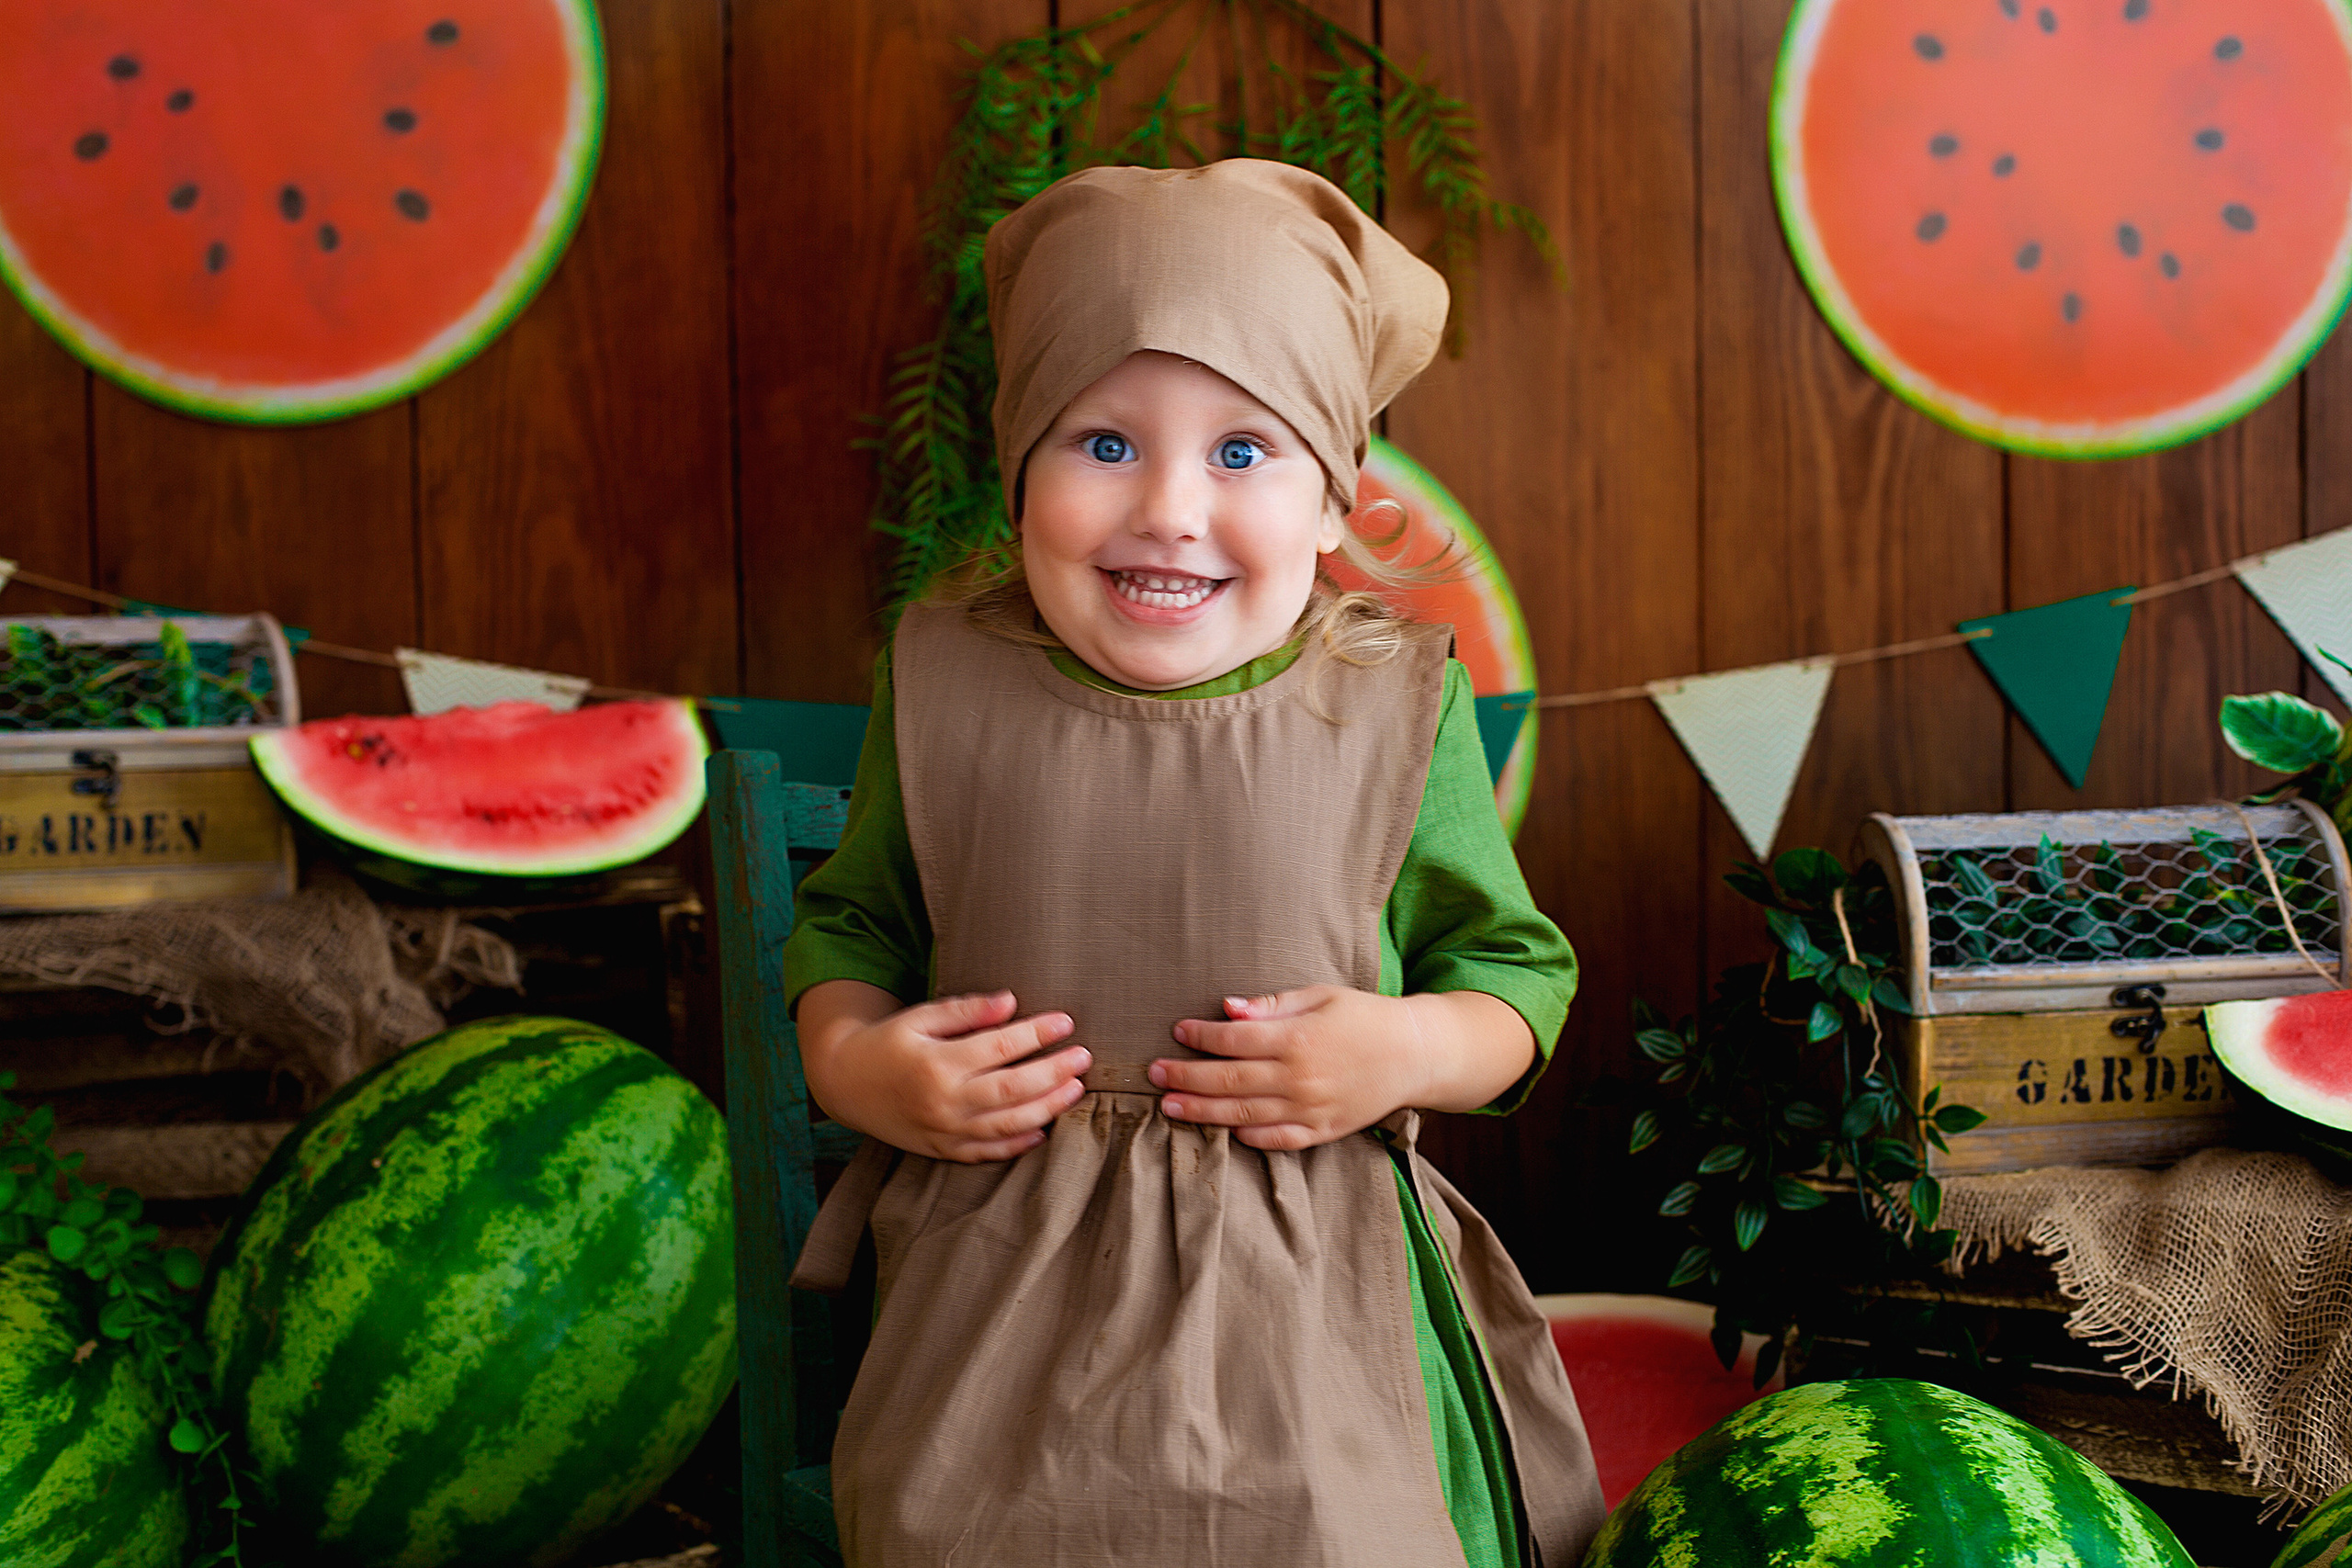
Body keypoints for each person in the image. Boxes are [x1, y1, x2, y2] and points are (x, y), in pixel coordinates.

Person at [782, 159, 1604, 1567]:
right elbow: (852, 925)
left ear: (1339, 497)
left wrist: (1402, 1049)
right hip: (995, 1314)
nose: (1167, 507)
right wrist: (860, 1063)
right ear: (1019, 466)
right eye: (1103, 443)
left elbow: (1515, 982)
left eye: (1241, 452)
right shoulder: (945, 681)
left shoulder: (1392, 706)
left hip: (1314, 1312)